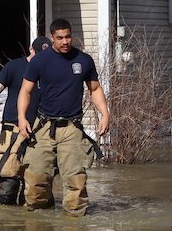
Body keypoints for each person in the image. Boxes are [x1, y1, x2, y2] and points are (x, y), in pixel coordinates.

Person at [17, 19, 110, 217]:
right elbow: (25, 91)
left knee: (76, 182)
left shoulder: (83, 60)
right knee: (35, 182)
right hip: (43, 126)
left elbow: (94, 89)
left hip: (72, 127)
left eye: (68, 36)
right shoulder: (40, 61)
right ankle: (40, 229)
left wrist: (105, 114)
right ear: (52, 38)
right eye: (60, 38)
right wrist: (22, 118)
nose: (65, 41)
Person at [0, 36, 53, 205]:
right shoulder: (14, 66)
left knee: (35, 185)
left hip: (40, 129)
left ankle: (30, 225)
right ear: (31, 50)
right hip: (13, 127)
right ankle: (5, 223)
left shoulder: (49, 69)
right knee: (9, 183)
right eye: (39, 54)